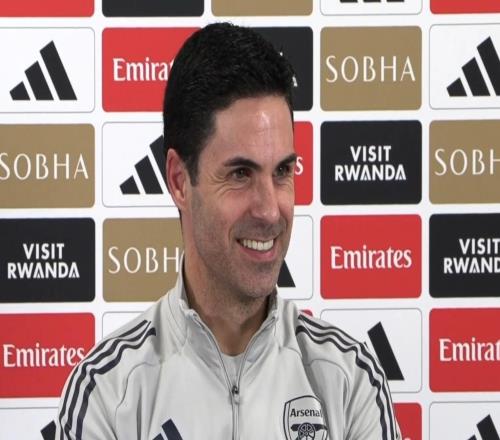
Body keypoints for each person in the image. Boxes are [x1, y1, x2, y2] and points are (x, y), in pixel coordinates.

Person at [56, 22, 401, 440]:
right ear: (179, 181)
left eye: (282, 171)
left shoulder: (349, 380)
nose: (269, 210)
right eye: (240, 174)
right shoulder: (107, 393)